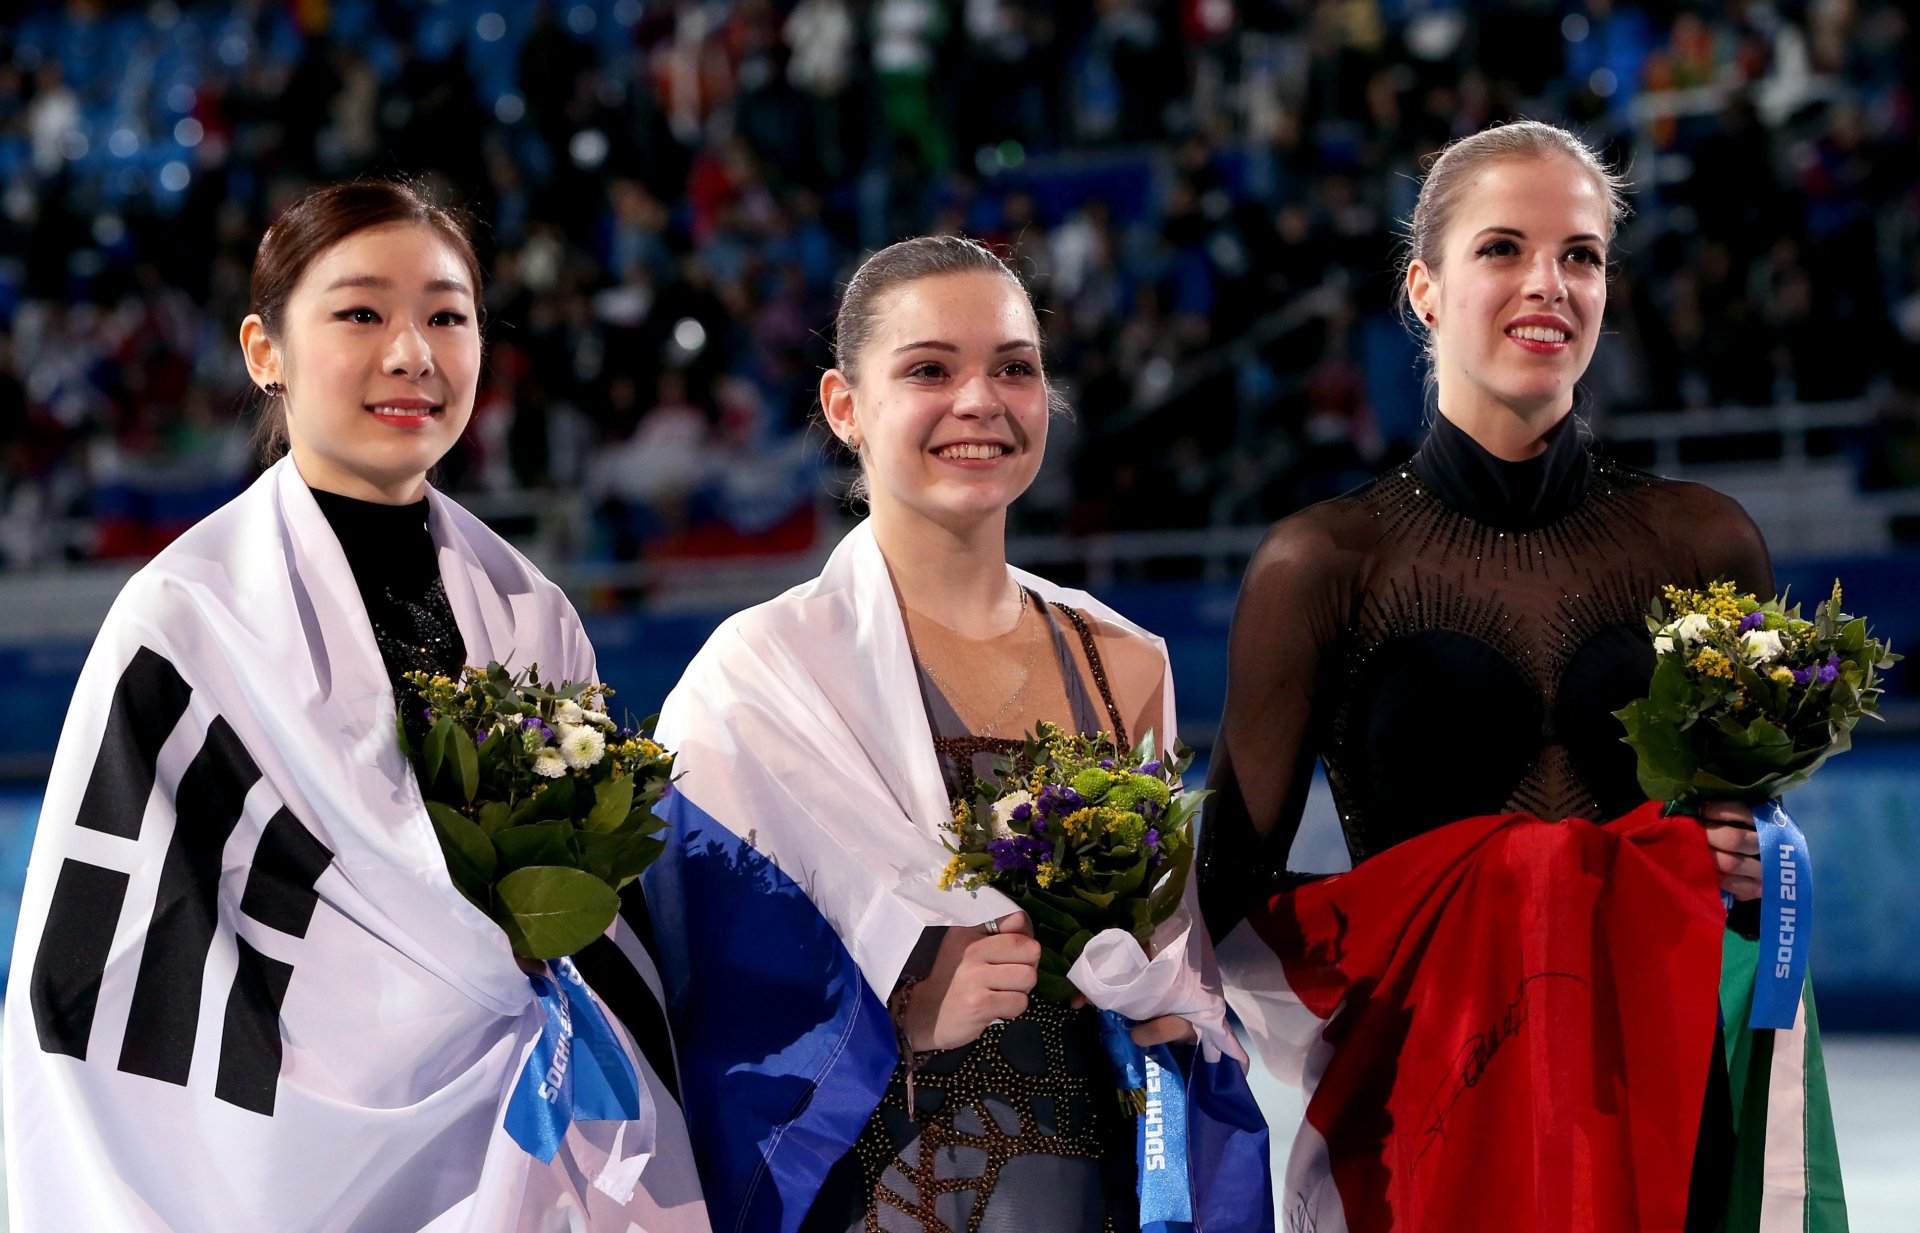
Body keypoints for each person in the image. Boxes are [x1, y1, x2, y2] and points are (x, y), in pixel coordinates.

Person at [2, 181, 708, 1232]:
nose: (412, 353)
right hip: (282, 1167)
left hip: (525, 1152)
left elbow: (605, 932)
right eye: (361, 313)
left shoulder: (531, 609)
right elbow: (112, 986)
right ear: (264, 350)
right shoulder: (188, 621)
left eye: (447, 315)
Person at [1198, 121, 1846, 1231]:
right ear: (1425, 289)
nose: (1548, 283)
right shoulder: (1324, 565)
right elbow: (1230, 901)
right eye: (1503, 248)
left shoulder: (1705, 544)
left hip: (1666, 1102)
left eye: (1581, 255)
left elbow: (1746, 841)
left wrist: (1740, 848)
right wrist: (1481, 907)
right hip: (1432, 1116)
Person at [643, 236, 1272, 1233]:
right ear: (845, 406)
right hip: (869, 1197)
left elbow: (1174, 974)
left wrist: (1158, 1009)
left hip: (1097, 1197)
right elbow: (696, 991)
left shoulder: (1125, 663)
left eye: (1014, 368)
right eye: (930, 369)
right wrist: (895, 1013)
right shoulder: (756, 675)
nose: (980, 401)